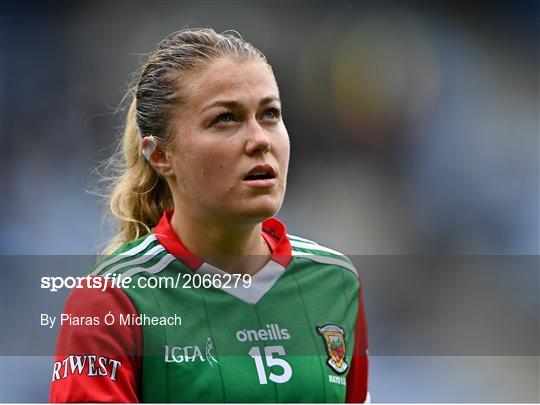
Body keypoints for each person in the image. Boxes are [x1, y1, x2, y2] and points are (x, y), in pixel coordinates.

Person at [49, 28, 369, 403]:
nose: (260, 139)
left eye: (269, 114)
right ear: (160, 155)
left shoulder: (335, 282)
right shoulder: (112, 299)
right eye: (225, 119)